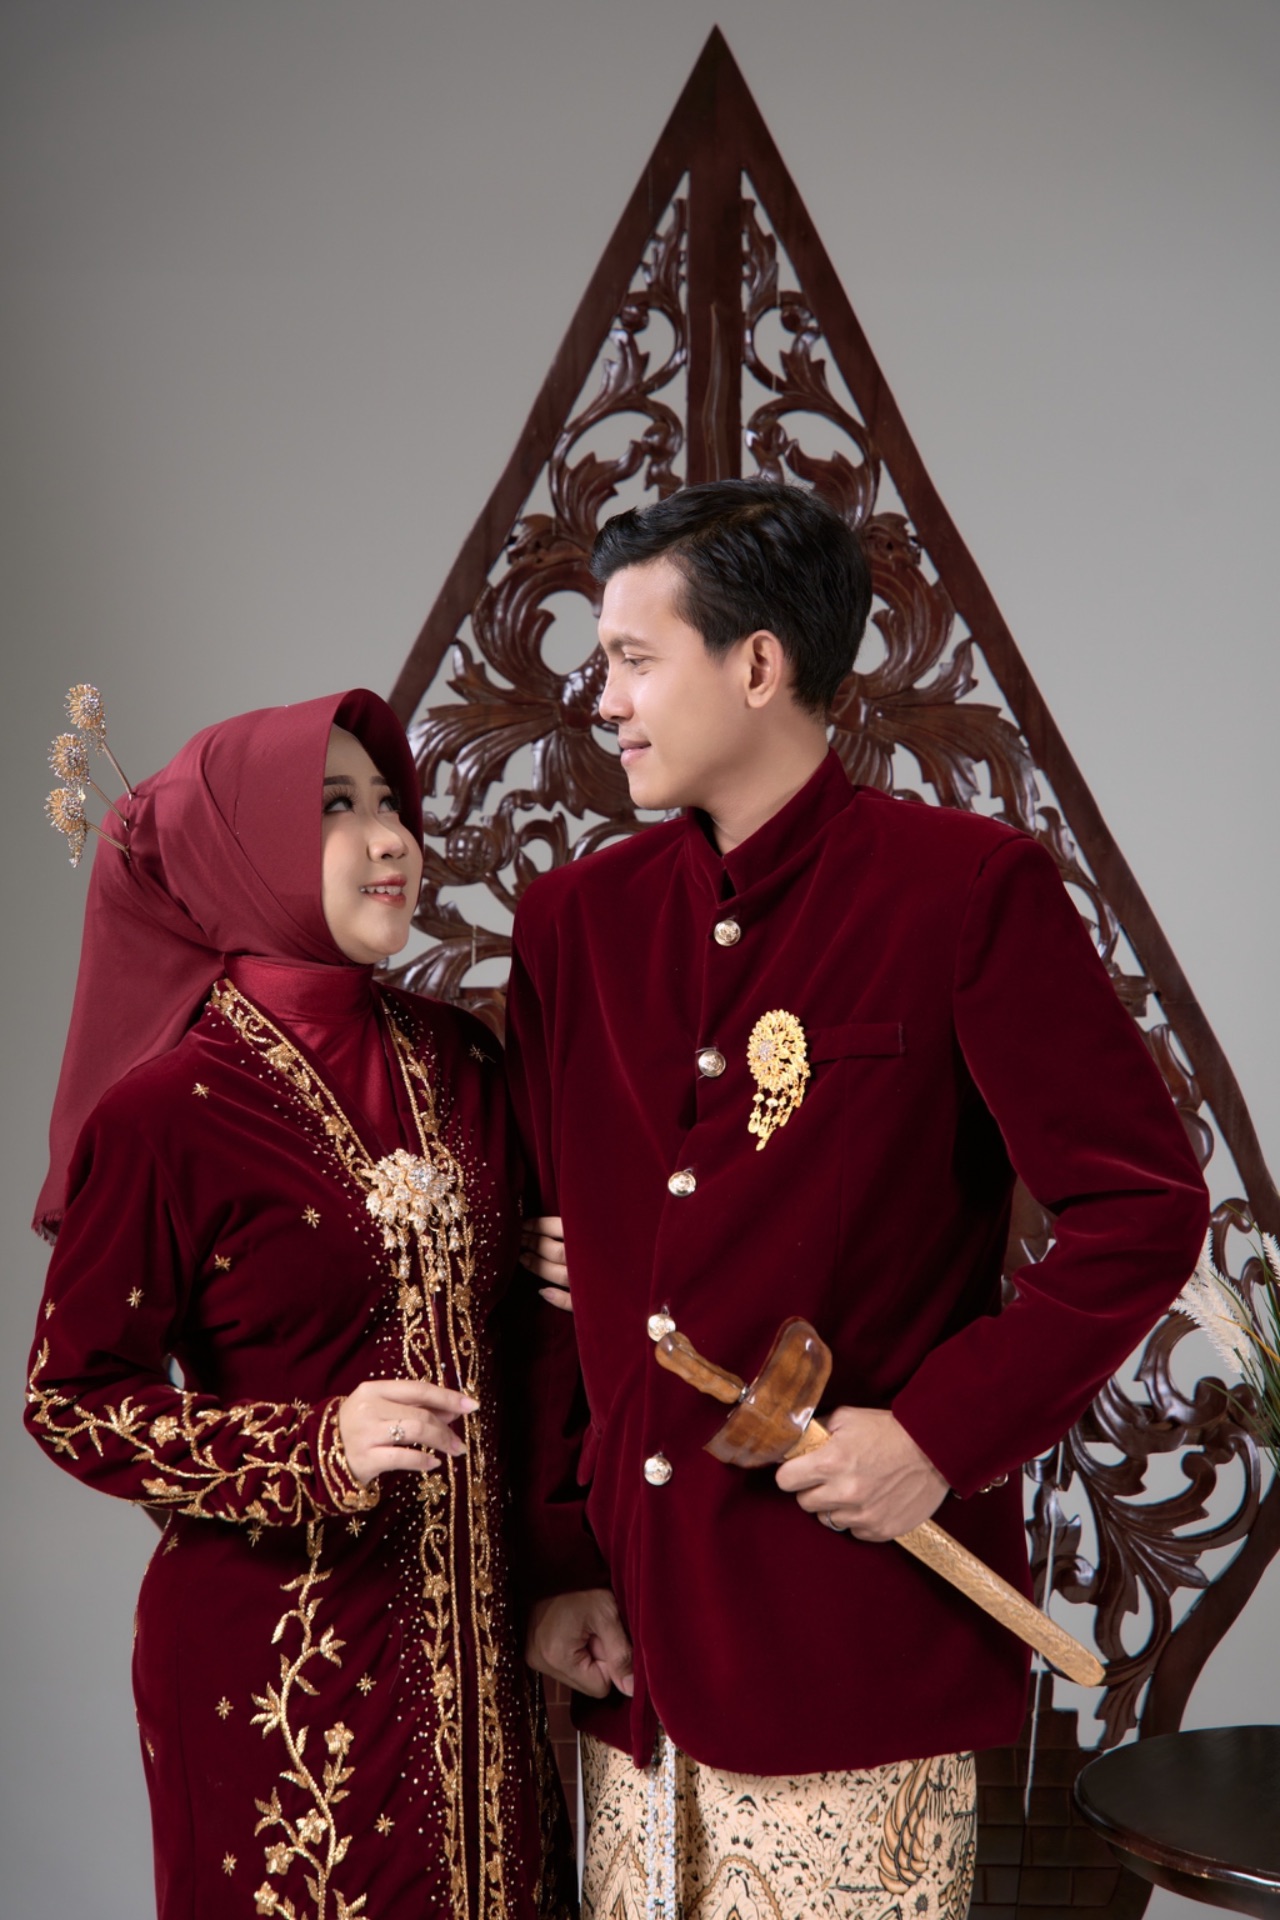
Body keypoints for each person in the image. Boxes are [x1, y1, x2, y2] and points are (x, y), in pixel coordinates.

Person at [506, 480, 1210, 1919]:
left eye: (633, 658)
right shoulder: (576, 924)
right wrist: (562, 1562)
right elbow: (554, 1285)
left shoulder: (962, 889)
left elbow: (1140, 1206)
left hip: (848, 1640)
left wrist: (938, 1437)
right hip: (632, 1657)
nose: (603, 700)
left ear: (758, 664)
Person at [27, 688, 574, 1920]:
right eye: (334, 808)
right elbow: (70, 1400)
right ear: (242, 851)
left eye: (389, 803)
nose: (390, 839)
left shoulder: (464, 1061)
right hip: (279, 1667)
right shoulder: (166, 1113)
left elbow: (527, 1346)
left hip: (479, 1651)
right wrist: (313, 1444)